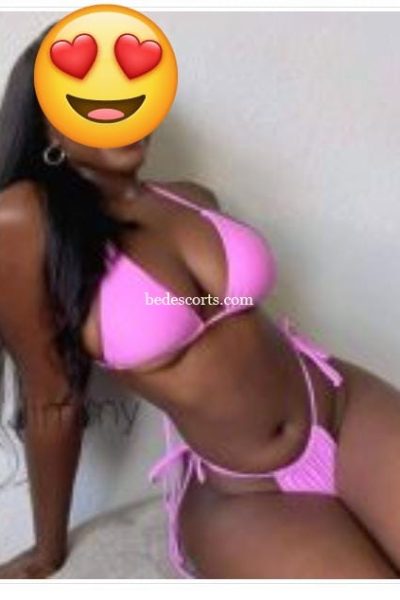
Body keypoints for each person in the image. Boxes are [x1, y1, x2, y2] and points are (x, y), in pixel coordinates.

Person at [0, 25, 400, 580]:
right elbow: (52, 398)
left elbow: (229, 307)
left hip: (343, 407)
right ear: (48, 126)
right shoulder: (22, 220)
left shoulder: (192, 197)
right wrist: (48, 550)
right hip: (243, 489)